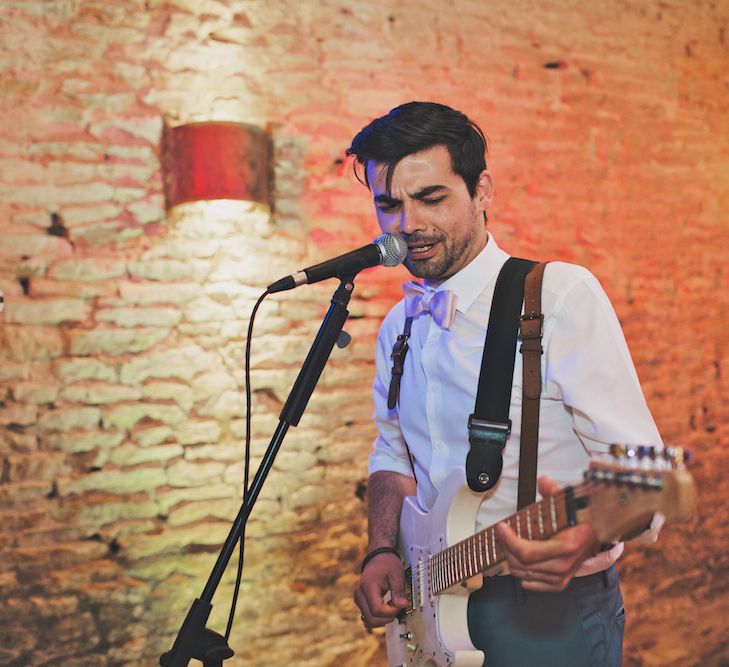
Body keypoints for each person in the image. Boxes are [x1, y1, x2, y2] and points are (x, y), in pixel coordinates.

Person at [346, 101, 664, 666]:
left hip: (549, 611)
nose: (408, 225)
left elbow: (646, 476)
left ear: (482, 190)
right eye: (388, 205)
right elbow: (392, 453)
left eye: (432, 198)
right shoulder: (399, 325)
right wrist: (379, 550)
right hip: (431, 607)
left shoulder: (556, 298)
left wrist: (586, 537)